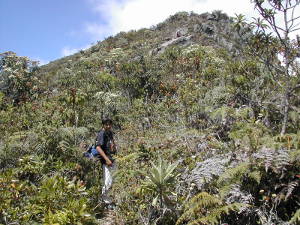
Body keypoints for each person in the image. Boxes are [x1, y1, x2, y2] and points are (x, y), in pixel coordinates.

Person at [95, 119, 117, 205]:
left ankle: (109, 200)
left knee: (112, 180)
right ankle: (106, 202)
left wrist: (114, 147)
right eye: (106, 125)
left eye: (109, 124)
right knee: (107, 181)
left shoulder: (110, 133)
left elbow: (112, 143)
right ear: (103, 125)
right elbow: (98, 147)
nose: (108, 126)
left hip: (112, 159)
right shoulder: (102, 134)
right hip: (107, 161)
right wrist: (106, 159)